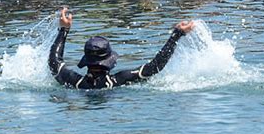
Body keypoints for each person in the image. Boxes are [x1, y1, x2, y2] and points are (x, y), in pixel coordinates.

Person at [49, 6, 195, 90]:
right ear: (109, 60)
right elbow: (155, 66)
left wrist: (64, 30)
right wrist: (177, 34)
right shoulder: (119, 80)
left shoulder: (76, 82)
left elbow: (54, 62)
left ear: (86, 60)